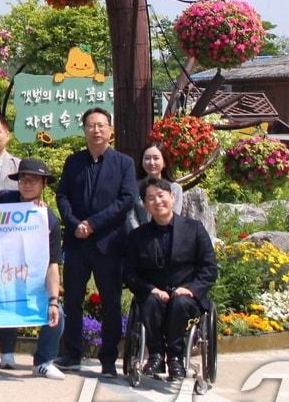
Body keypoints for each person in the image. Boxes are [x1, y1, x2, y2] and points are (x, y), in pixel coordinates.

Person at [56, 107, 138, 376]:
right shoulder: (73, 162)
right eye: (91, 125)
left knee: (111, 302)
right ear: (84, 130)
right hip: (77, 243)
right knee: (72, 301)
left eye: (101, 125)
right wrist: (74, 223)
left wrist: (93, 223)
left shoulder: (124, 163)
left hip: (109, 243)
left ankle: (108, 360)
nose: (96, 130)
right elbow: (62, 196)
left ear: (110, 130)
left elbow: (126, 200)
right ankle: (71, 354)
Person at [0, 158, 66, 380]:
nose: (27, 184)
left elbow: (53, 264)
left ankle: (43, 361)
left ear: (43, 184)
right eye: (23, 179)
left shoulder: (48, 220)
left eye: (33, 180)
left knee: (58, 313)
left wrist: (52, 299)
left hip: (29, 284)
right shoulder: (4, 200)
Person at [123, 177, 217, 381]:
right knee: (148, 300)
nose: (157, 201)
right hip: (153, 294)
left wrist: (191, 289)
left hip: (186, 297)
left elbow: (209, 268)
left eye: (161, 195)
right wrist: (150, 289)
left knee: (180, 302)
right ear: (145, 205)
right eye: (150, 198)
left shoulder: (194, 229)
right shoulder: (138, 236)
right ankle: (156, 354)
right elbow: (129, 273)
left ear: (172, 197)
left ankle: (176, 356)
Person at [130, 142, 184, 228]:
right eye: (147, 158)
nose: (151, 162)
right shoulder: (133, 187)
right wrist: (138, 236)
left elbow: (174, 216)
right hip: (139, 236)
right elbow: (131, 217)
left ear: (164, 162)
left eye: (156, 158)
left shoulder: (174, 188)